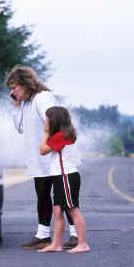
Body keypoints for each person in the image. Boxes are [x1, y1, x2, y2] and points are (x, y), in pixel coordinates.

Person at [6, 65, 78, 250]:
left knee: (64, 198)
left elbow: (58, 122)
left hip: (54, 158)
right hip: (39, 160)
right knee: (43, 196)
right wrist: (16, 107)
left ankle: (76, 235)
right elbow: (20, 127)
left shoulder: (42, 98)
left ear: (25, 84)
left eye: (14, 87)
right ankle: (43, 235)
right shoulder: (26, 103)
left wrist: (51, 147)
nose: (12, 92)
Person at [38, 106, 90, 253]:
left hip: (66, 176)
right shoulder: (62, 135)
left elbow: (42, 150)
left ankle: (83, 243)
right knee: (57, 211)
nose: (45, 122)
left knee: (73, 210)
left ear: (53, 121)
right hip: (60, 177)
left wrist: (46, 133)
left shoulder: (60, 136)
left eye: (46, 119)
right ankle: (56, 244)